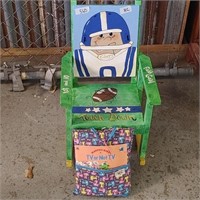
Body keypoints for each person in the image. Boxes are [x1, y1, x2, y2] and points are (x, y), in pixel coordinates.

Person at [74, 11, 137, 77]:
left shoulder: (132, 54)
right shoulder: (80, 56)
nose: (106, 40)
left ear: (124, 37)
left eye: (111, 34)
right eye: (100, 36)